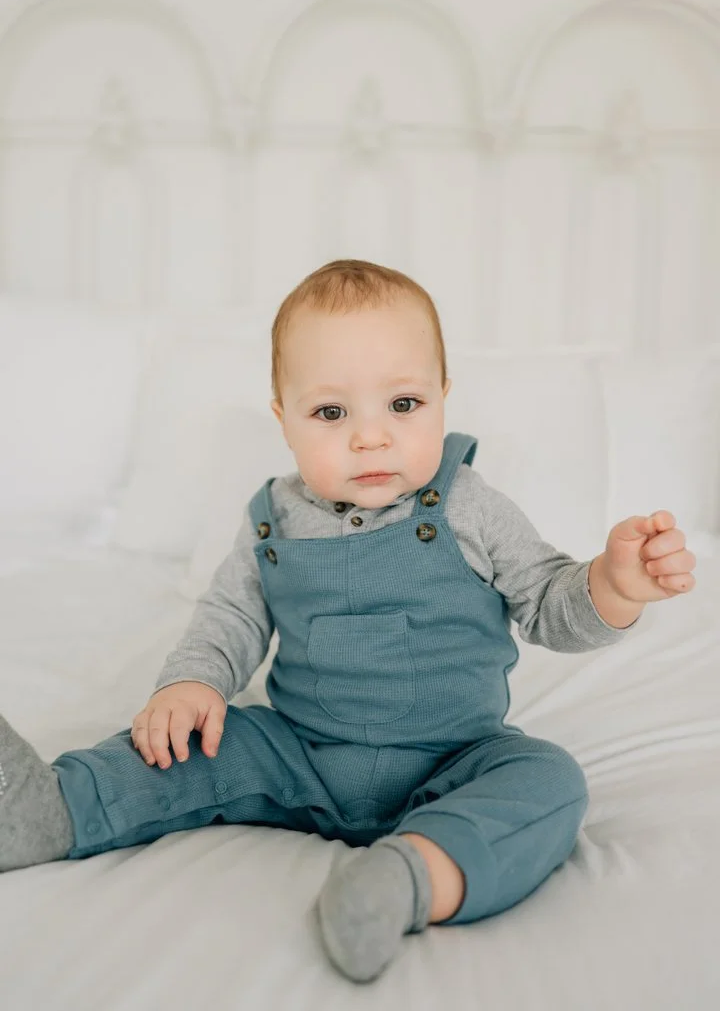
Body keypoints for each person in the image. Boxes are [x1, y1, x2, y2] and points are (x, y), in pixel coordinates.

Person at [0, 259, 697, 983]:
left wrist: (615, 584)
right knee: (184, 741)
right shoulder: (273, 517)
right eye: (331, 413)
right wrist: (190, 683)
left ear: (442, 400)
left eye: (403, 404)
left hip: (453, 758)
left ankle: (409, 878)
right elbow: (230, 617)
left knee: (548, 779)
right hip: (297, 752)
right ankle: (51, 809)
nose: (371, 437)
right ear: (284, 417)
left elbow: (553, 606)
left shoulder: (468, 505)